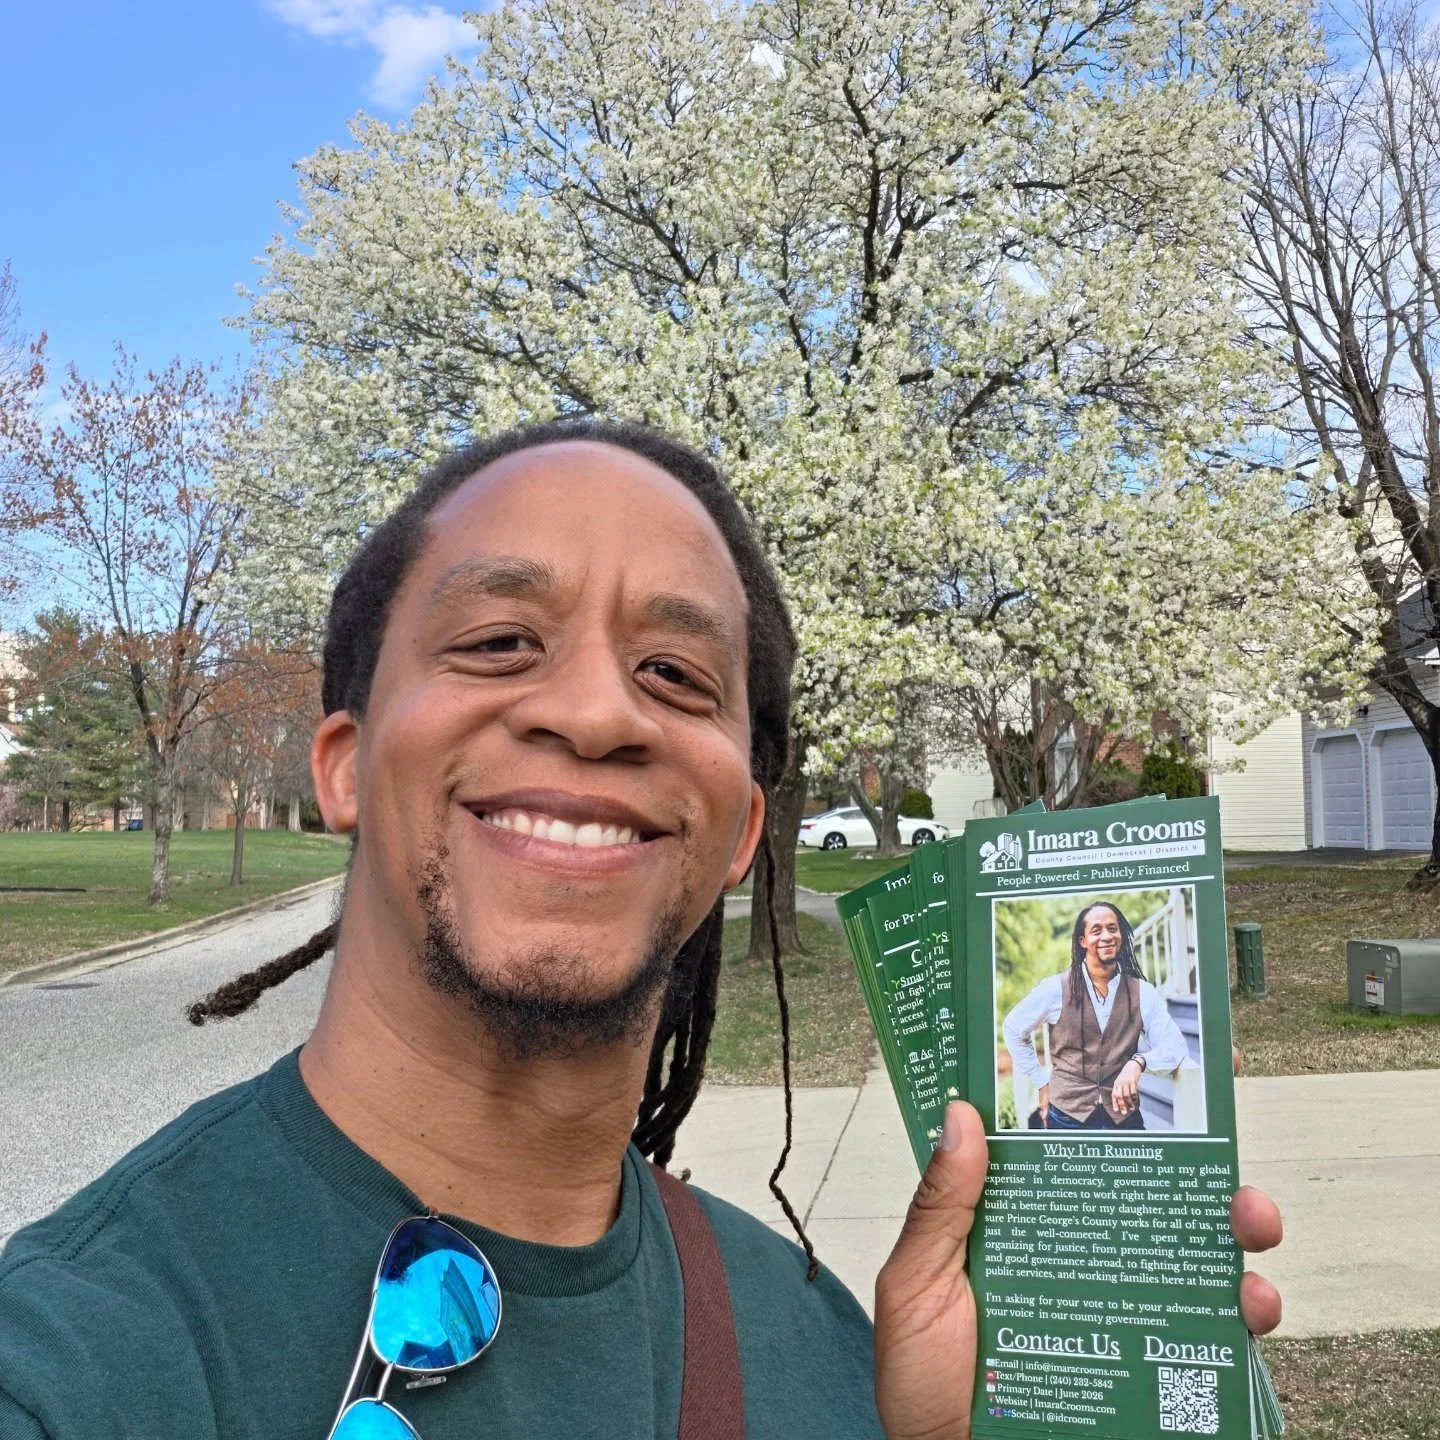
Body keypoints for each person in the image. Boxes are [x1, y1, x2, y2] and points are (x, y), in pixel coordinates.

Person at [0, 423, 1283, 1439]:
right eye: (502, 641)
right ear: (341, 765)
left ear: (736, 833)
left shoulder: (840, 1356)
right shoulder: (77, 1361)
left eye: (677, 675)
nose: (599, 711)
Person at [1003, 900, 1191, 1130]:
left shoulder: (1143, 993)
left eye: (1113, 928)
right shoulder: (1055, 989)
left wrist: (1138, 1062)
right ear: (1082, 941)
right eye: (1096, 930)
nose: (1107, 936)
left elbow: (1175, 1045)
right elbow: (1013, 1028)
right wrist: (1041, 1082)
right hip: (1066, 1118)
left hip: (1124, 1116)